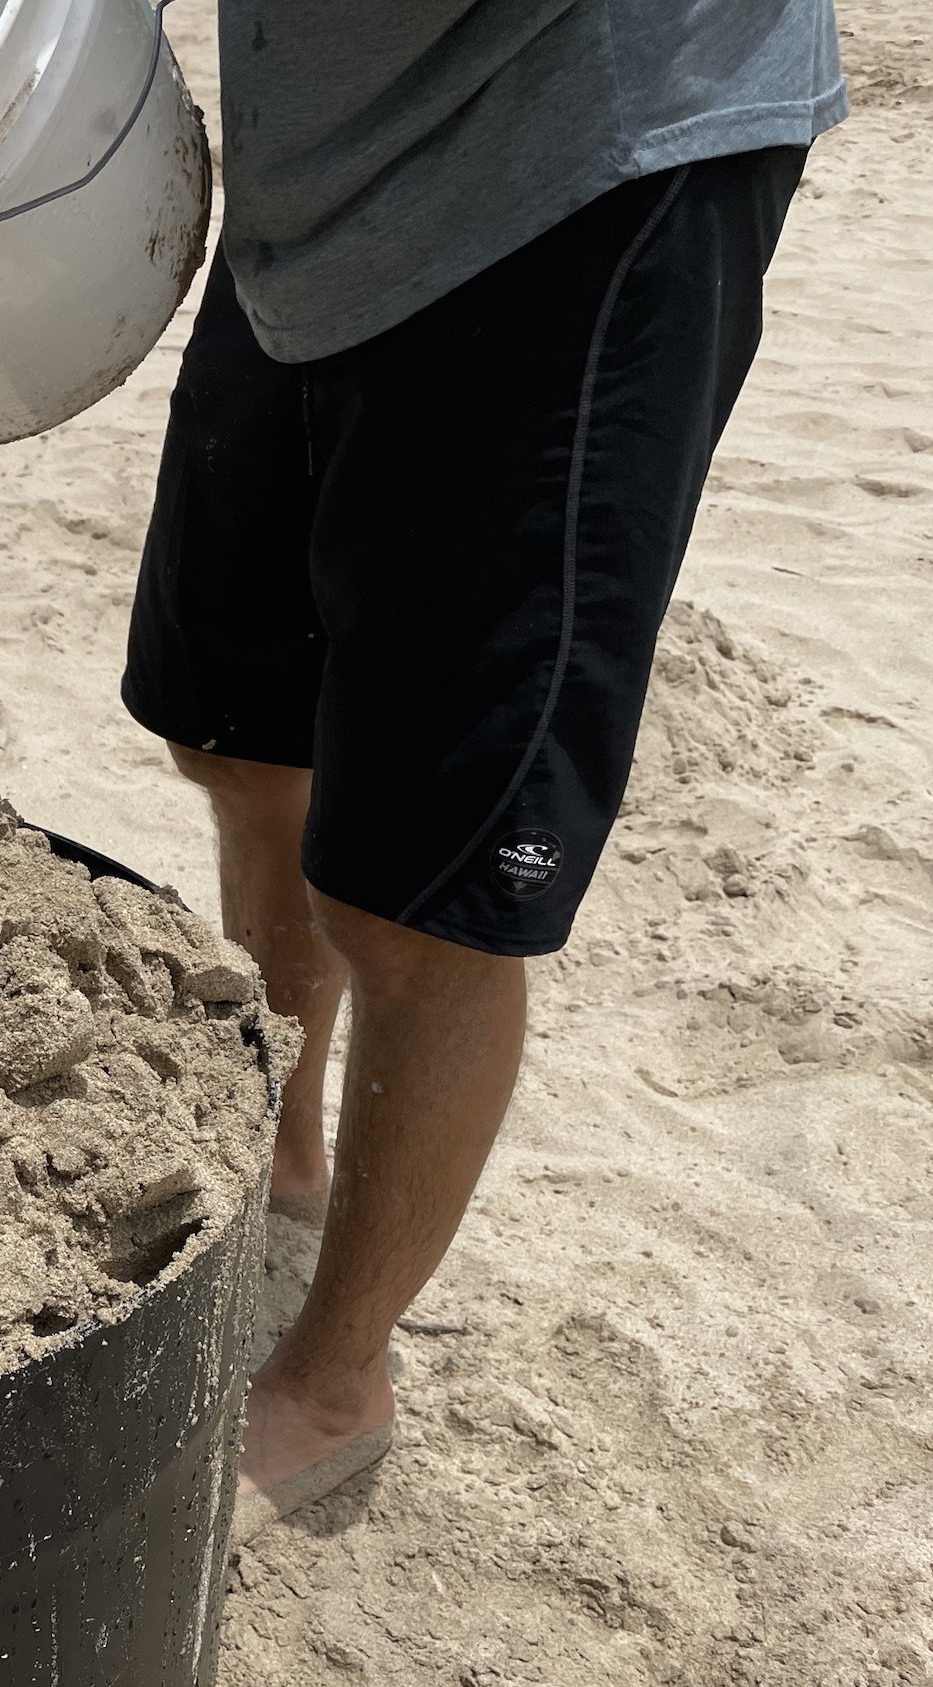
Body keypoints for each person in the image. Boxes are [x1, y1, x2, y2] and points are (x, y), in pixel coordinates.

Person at [122, 0, 846, 1541]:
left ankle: (335, 1383)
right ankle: (287, 1147)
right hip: (323, 173)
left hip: (578, 151)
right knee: (235, 735)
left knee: (425, 892)